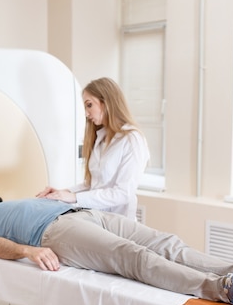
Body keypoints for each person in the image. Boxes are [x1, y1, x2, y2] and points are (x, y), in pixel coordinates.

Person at [0, 188, 233, 305]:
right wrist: (28, 251)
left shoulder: (12, 201)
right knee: (135, 257)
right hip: (55, 233)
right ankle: (223, 291)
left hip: (86, 215)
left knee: (166, 243)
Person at [37, 77, 150, 220]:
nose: (86, 113)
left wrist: (74, 197)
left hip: (119, 223)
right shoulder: (101, 139)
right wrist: (63, 192)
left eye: (89, 105)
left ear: (106, 102)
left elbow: (123, 193)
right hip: (97, 218)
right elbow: (94, 184)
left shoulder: (132, 139)